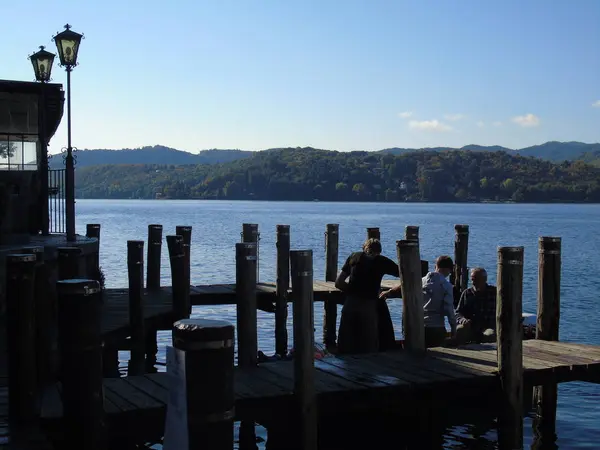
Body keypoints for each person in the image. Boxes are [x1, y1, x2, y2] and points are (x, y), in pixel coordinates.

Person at [335, 238, 399, 354]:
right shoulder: (382, 261)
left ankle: (345, 364)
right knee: (369, 340)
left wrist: (352, 291)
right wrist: (392, 290)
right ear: (379, 251)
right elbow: (406, 274)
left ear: (364, 248)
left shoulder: (354, 257)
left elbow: (338, 282)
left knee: (346, 337)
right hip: (369, 303)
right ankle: (368, 366)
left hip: (350, 302)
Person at [380, 255, 456, 348]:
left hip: (418, 326)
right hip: (436, 327)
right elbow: (449, 310)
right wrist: (453, 329)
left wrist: (389, 292)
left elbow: (404, 287)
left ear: (436, 266)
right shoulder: (446, 286)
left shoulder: (421, 281)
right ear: (450, 269)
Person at [455, 267, 497, 344]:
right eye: (472, 279)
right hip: (471, 326)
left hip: (488, 326)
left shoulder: (494, 292)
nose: (474, 282)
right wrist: (463, 320)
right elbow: (458, 313)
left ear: (485, 279)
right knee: (459, 330)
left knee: (490, 335)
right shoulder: (467, 293)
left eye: (477, 280)